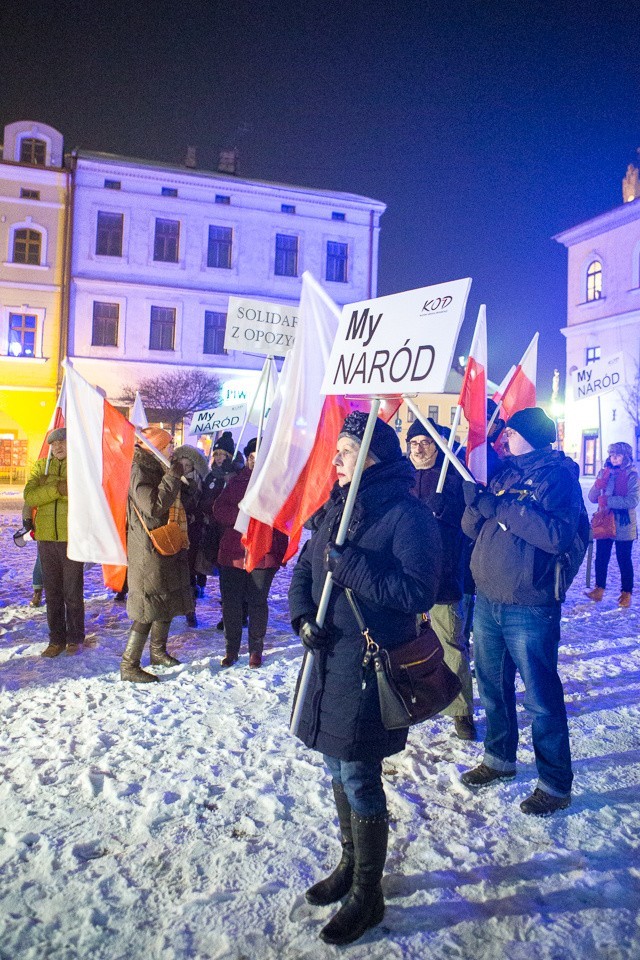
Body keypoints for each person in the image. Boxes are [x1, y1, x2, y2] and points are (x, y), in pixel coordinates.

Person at [288, 412, 441, 945]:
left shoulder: (406, 513)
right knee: (337, 764)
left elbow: (416, 593)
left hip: (368, 666)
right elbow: (306, 571)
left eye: (346, 451)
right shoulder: (336, 504)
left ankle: (367, 895)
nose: (336, 459)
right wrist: (304, 617)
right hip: (328, 659)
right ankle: (351, 866)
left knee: (357, 772)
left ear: (371, 455)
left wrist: (350, 568)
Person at [461, 407, 583, 816]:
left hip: (530, 605)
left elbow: (555, 535)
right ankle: (499, 759)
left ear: (527, 434)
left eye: (510, 432)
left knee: (541, 699)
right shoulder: (506, 472)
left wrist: (497, 508)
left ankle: (554, 782)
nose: (504, 439)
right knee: (493, 689)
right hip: (488, 599)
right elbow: (470, 529)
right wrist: (475, 504)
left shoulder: (558, 476)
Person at [406, 418, 476, 740]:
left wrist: (446, 507)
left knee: (450, 644)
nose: (420, 449)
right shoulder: (401, 477)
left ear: (438, 446)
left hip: (441, 578)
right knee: (406, 644)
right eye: (414, 443)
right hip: (404, 578)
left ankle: (461, 710)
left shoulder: (454, 477)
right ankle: (414, 697)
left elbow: (470, 521)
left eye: (426, 442)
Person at [121, 427, 194, 683]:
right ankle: (129, 665)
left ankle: (158, 651)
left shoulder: (161, 467)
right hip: (148, 550)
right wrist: (172, 479)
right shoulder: (140, 470)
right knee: (147, 607)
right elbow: (152, 507)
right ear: (155, 448)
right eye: (168, 445)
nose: (172, 449)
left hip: (166, 544)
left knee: (166, 601)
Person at [212, 437, 287, 668]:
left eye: (259, 456)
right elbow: (218, 510)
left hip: (263, 555)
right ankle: (231, 649)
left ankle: (256, 649)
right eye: (251, 456)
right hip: (234, 554)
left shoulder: (276, 484)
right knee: (231, 604)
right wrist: (242, 518)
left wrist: (279, 553)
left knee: (257, 602)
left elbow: (284, 521)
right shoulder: (236, 482)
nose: (254, 461)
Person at [23, 427, 85, 656]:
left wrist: (49, 487)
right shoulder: (41, 467)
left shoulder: (79, 465)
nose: (57, 446)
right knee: (53, 593)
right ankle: (56, 639)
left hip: (72, 538)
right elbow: (30, 496)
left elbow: (81, 493)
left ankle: (76, 637)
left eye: (62, 442)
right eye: (54, 443)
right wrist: (59, 487)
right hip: (46, 538)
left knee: (72, 592)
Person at [585, 441, 639, 607]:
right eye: (612, 454)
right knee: (601, 557)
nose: (614, 458)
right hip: (605, 521)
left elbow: (632, 500)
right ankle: (599, 589)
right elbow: (592, 498)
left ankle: (626, 593)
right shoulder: (604, 472)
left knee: (624, 559)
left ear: (625, 456)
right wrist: (597, 485)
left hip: (624, 523)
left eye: (618, 454)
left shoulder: (631, 475)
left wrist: (609, 500)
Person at [172, 444, 210, 627]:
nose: (184, 469)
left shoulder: (198, 484)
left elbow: (205, 506)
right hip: (173, 533)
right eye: (181, 465)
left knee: (188, 575)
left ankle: (190, 610)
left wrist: (196, 516)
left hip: (192, 535)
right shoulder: (172, 482)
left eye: (188, 465)